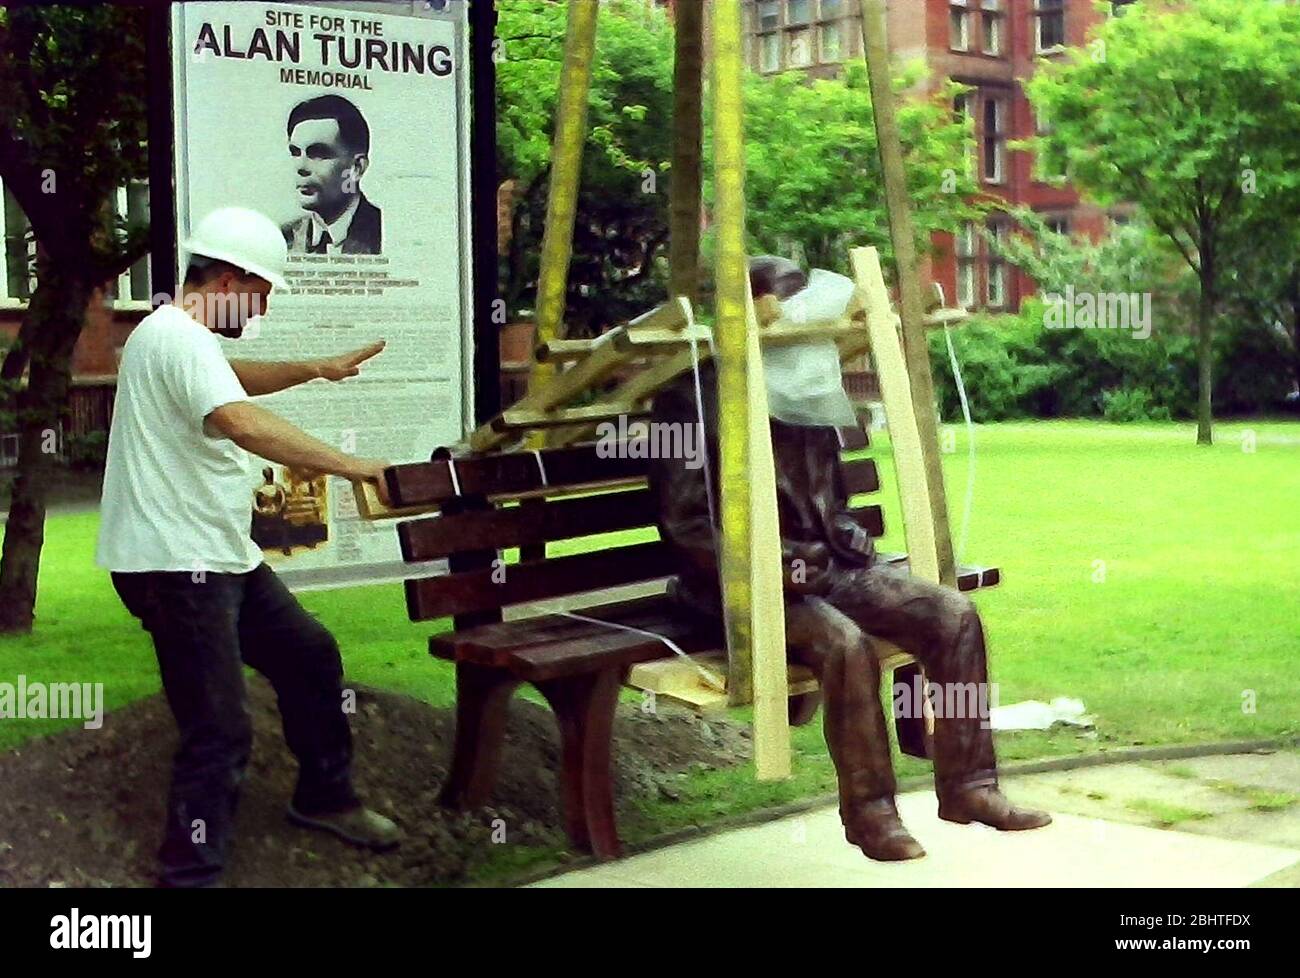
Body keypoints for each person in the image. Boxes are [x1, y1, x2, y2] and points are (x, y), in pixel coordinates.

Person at [647, 255, 1051, 862]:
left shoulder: (803, 383)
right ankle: (870, 815)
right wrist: (777, 562)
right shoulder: (689, 399)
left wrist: (843, 530)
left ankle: (970, 785)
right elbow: (685, 528)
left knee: (952, 615)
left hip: (825, 569)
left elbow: (827, 493)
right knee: (845, 645)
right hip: (734, 588)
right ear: (750, 310)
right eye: (784, 308)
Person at [97, 206, 397, 888]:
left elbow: (231, 381)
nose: (260, 306)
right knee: (219, 728)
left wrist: (314, 368)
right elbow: (239, 419)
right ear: (232, 277)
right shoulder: (176, 336)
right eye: (261, 292)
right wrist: (353, 466)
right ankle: (188, 875)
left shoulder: (180, 336)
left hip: (218, 559)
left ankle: (323, 796)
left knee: (311, 656)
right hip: (175, 567)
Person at [281, 95, 382, 255]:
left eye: (318, 154)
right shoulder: (283, 239)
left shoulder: (385, 232)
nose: (301, 167)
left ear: (357, 168)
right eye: (295, 152)